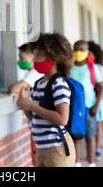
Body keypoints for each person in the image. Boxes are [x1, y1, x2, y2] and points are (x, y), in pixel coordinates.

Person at [16, 33, 76, 167]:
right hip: (42, 147)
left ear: (53, 57)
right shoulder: (39, 83)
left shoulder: (58, 84)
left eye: (39, 56)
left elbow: (62, 119)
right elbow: (34, 117)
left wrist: (32, 106)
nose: (35, 60)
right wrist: (26, 105)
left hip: (57, 149)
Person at [69, 40, 103, 167]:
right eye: (76, 49)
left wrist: (96, 105)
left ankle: (91, 163)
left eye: (82, 50)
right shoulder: (69, 68)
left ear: (87, 52)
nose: (78, 52)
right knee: (76, 137)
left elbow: (101, 87)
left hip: (89, 108)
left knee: (90, 137)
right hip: (73, 109)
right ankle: (77, 163)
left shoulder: (92, 68)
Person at [87, 41, 103, 159]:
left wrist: (99, 99)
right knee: (93, 125)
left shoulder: (99, 68)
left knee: (98, 125)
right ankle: (94, 148)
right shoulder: (83, 67)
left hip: (97, 100)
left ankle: (97, 149)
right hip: (91, 100)